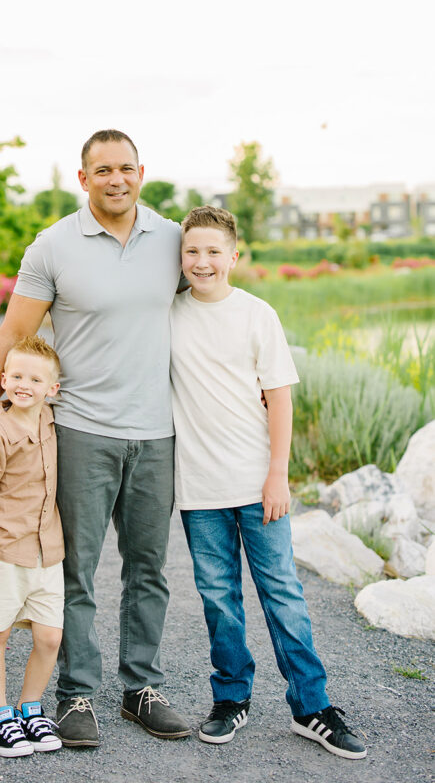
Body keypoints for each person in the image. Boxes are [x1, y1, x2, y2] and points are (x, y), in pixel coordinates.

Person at [0, 129, 190, 747]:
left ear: (141, 172)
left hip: (157, 433)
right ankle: (75, 696)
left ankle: (140, 687)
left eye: (126, 169)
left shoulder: (172, 240)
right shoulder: (53, 246)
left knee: (149, 568)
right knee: (77, 570)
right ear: (83, 177)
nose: (116, 179)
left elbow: (211, 304)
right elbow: (12, 336)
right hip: (81, 430)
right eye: (103, 170)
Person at [169, 205, 367, 760]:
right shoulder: (168, 314)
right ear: (180, 258)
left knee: (283, 594)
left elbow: (279, 399)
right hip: (200, 489)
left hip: (260, 484)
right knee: (218, 599)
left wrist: (277, 476)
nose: (202, 262)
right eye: (192, 252)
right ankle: (231, 698)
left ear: (235, 256)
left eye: (213, 252)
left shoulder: (258, 315)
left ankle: (312, 707)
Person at [0, 335, 64, 758]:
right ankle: (1, 715)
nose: (25, 384)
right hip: (2, 548)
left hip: (47, 551)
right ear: (3, 380)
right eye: (17, 375)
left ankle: (30, 706)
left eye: (36, 378)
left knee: (49, 637)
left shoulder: (52, 420)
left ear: (52, 389)